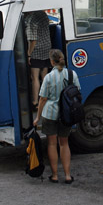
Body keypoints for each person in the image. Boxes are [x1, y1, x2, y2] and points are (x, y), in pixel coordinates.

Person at [33, 49, 79, 184]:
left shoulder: (48, 77)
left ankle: (54, 175)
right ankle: (68, 175)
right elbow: (77, 92)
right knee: (64, 144)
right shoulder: (72, 74)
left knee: (52, 144)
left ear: (52, 62)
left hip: (50, 114)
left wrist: (37, 117)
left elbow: (42, 99)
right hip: (66, 116)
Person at [24, 10, 52, 109]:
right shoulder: (42, 13)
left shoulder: (30, 20)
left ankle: (35, 102)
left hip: (37, 51)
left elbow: (33, 41)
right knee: (44, 76)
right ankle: (46, 99)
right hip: (47, 48)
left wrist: (28, 54)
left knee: (35, 77)